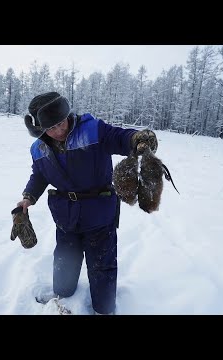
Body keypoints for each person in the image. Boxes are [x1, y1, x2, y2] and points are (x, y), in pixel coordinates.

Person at [14, 91, 157, 315]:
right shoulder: (38, 148)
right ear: (41, 129)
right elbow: (39, 176)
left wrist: (137, 139)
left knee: (102, 265)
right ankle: (62, 293)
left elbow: (119, 137)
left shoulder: (92, 130)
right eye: (51, 127)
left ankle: (104, 309)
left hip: (99, 212)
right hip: (65, 215)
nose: (59, 130)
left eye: (61, 123)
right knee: (64, 259)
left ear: (67, 115)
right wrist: (27, 197)